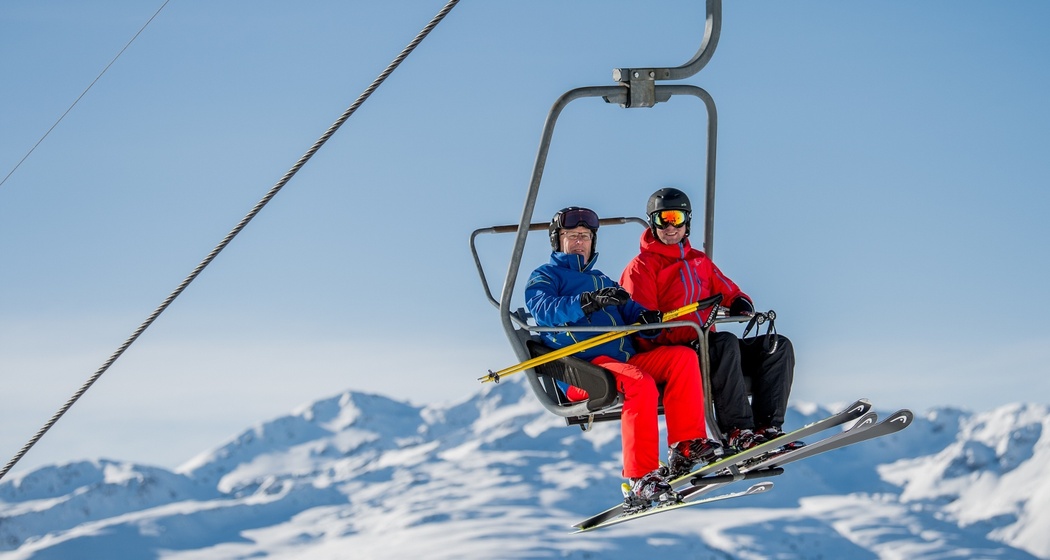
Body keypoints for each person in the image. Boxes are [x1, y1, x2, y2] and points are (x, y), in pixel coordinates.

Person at [525, 206, 723, 511]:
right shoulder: (545, 277)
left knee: (682, 358)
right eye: (572, 236)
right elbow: (545, 309)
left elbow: (629, 308)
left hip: (623, 362)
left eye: (585, 237)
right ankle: (640, 476)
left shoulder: (600, 278)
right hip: (584, 370)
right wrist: (586, 303)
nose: (579, 242)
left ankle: (687, 446)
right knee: (639, 382)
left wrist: (646, 317)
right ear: (558, 240)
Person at [620, 187, 795, 453]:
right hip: (675, 351)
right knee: (724, 343)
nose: (669, 226)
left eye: (676, 218)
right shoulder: (641, 267)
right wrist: (660, 328)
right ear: (652, 223)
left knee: (776, 346)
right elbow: (641, 324)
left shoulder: (698, 261)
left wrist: (738, 301)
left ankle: (767, 428)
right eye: (662, 219)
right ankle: (737, 430)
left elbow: (726, 289)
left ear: (686, 222)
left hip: (708, 344)